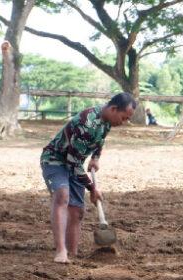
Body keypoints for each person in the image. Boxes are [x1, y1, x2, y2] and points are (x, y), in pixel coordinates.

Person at [40, 92, 137, 263]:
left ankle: (73, 254)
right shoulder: (87, 123)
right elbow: (73, 164)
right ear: (114, 109)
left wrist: (95, 158)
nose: (124, 123)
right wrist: (92, 188)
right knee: (62, 196)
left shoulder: (106, 121)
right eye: (123, 118)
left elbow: (100, 140)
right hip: (55, 160)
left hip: (74, 162)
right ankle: (61, 251)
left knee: (77, 211)